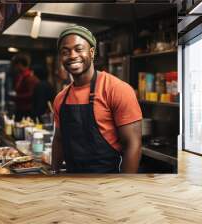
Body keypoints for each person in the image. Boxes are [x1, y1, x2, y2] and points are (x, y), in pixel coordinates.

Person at [52, 25, 142, 173]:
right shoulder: (60, 99)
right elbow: (59, 139)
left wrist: (126, 187)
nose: (72, 55)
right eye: (65, 52)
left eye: (79, 49)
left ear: (92, 52)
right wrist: (53, 173)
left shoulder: (117, 89)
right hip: (70, 185)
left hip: (105, 185)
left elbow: (133, 144)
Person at [10, 53, 39, 120]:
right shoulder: (21, 76)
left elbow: (31, 95)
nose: (14, 68)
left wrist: (16, 97)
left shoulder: (30, 77)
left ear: (20, 64)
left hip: (27, 112)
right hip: (20, 109)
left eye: (15, 65)